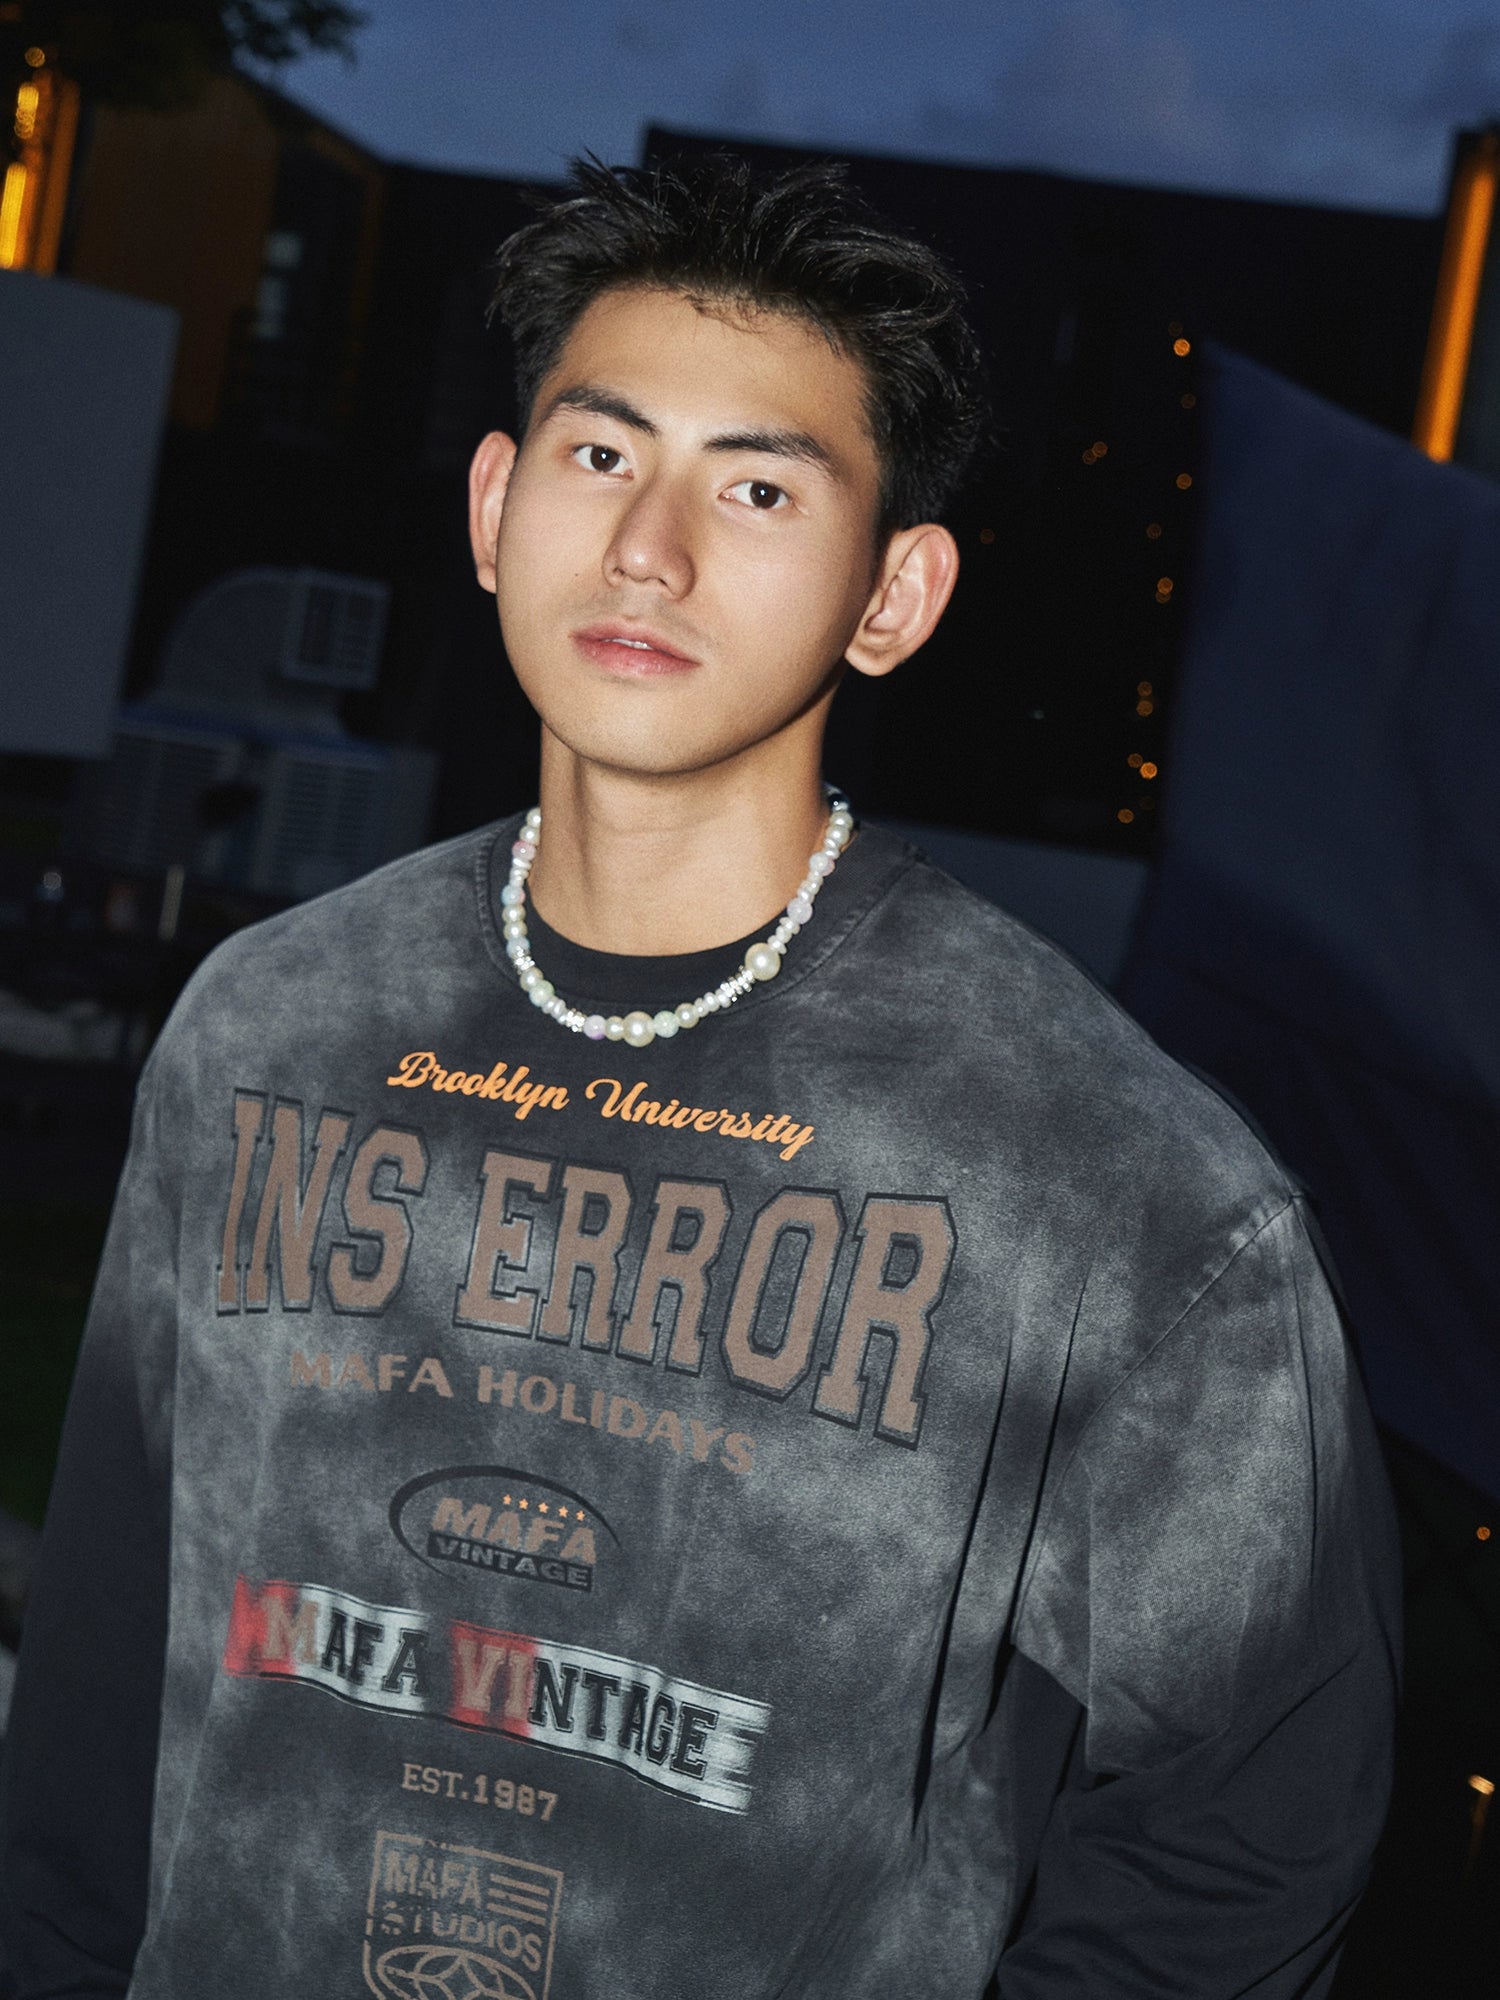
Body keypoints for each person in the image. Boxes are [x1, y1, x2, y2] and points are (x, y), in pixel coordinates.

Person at [0, 154, 1397, 1998]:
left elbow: (1253, 1818)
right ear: (494, 504)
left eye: (756, 488)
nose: (648, 550)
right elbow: (104, 1655)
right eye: (600, 454)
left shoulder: (1114, 1178)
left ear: (894, 595)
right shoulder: (270, 1025)